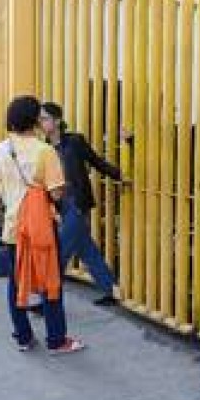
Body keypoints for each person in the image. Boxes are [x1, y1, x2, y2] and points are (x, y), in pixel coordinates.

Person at [0, 95, 84, 354]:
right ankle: (56, 340)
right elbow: (56, 193)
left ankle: (23, 337)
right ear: (33, 120)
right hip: (41, 227)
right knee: (50, 281)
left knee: (15, 283)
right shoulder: (45, 151)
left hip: (13, 229)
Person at [40, 102, 122, 306]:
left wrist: (119, 175)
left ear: (57, 120)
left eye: (45, 118)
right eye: (39, 119)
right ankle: (110, 289)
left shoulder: (74, 142)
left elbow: (95, 161)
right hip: (61, 206)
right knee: (86, 249)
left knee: (58, 253)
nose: (41, 122)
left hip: (76, 203)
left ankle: (48, 301)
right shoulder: (45, 148)